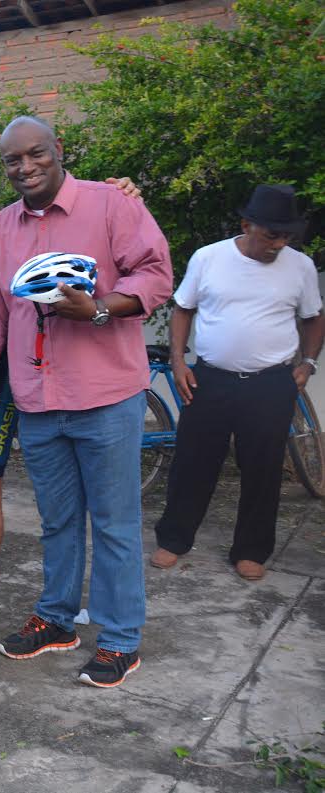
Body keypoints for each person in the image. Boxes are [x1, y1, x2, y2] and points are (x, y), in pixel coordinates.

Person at [0, 116, 173, 688]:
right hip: (37, 400)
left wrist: (101, 308)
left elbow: (156, 275)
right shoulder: (4, 227)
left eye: (35, 155)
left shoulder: (110, 205)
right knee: (56, 522)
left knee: (115, 524)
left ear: (58, 151)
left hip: (105, 396)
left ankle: (122, 641)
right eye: (12, 160)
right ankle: (56, 620)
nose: (24, 167)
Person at [151, 185, 323, 582]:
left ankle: (251, 550)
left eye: (285, 236)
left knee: (263, 470)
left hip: (271, 382)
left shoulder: (299, 266)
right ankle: (174, 539)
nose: (278, 244)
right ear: (247, 225)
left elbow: (314, 317)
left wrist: (309, 363)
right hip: (210, 379)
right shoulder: (208, 258)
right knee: (193, 462)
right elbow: (183, 309)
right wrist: (179, 362)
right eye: (271, 235)